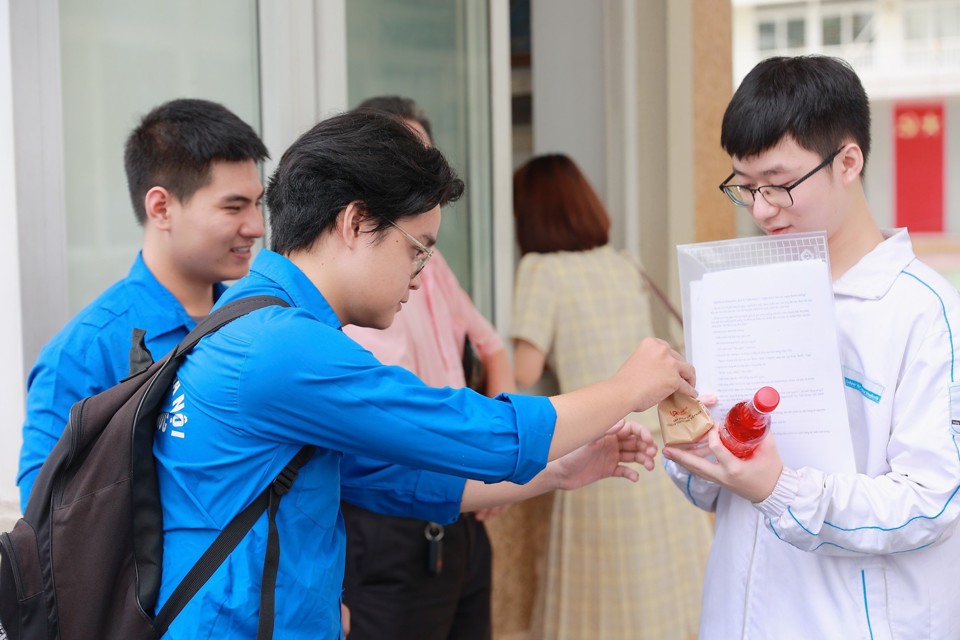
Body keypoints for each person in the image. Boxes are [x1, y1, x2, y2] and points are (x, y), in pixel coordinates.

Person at [151, 109, 695, 639]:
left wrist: (555, 470)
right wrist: (628, 388)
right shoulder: (282, 347)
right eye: (418, 250)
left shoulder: (257, 319)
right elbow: (470, 431)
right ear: (356, 222)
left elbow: (394, 477)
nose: (420, 277)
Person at [662, 55, 960, 639]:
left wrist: (782, 490)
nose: (760, 209)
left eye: (778, 184)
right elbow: (713, 489)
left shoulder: (923, 311)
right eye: (743, 187)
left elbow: (934, 502)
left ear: (848, 161)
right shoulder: (741, 292)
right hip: (738, 616)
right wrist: (691, 436)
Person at [16, 98, 268, 511]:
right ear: (162, 207)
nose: (256, 227)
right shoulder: (83, 353)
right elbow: (49, 521)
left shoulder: (260, 324)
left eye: (258, 203)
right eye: (233, 206)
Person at [510, 153, 712, 640]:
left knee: (603, 609)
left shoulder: (541, 270)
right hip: (655, 445)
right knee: (665, 596)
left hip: (597, 448)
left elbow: (524, 371)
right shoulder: (625, 264)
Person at [341, 96, 511, 640]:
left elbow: (494, 349)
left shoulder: (430, 264)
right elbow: (397, 426)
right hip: (396, 521)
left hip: (462, 503)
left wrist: (491, 465)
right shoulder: (352, 292)